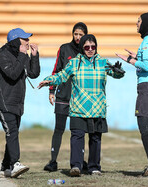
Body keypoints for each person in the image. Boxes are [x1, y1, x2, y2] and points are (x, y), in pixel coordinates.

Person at [38, 34, 124, 177]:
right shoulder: (74, 63)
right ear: (82, 48)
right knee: (77, 136)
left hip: (98, 107)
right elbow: (61, 76)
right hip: (78, 107)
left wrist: (118, 71)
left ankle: (94, 167)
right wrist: (48, 81)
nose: (90, 50)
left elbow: (117, 74)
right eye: (87, 47)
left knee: (95, 138)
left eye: (93, 47)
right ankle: (76, 166)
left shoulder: (103, 62)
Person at [116, 12, 148, 177]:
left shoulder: (147, 41)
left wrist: (130, 60)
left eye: (139, 21)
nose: (136, 24)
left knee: (143, 124)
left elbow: (146, 66)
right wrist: (137, 57)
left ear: (146, 23)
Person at [0, 28, 40, 178]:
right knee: (11, 132)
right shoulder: (2, 56)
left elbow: (33, 74)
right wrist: (22, 55)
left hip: (17, 103)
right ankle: (15, 164)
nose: (28, 42)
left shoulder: (21, 56)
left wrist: (34, 56)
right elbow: (12, 74)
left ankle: (5, 167)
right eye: (24, 39)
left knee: (12, 134)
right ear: (15, 41)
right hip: (4, 102)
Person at [44, 22, 88, 172]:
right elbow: (56, 70)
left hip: (80, 98)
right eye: (75, 34)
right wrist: (51, 91)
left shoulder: (88, 50)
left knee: (79, 131)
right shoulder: (64, 49)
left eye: (81, 34)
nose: (77, 37)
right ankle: (53, 161)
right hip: (63, 96)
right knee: (59, 129)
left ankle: (79, 161)